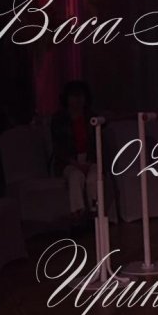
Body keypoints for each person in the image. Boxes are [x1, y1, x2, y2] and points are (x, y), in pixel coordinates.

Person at [51, 80, 98, 223]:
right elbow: (58, 148)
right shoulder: (59, 120)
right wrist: (75, 163)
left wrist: (90, 161)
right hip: (69, 162)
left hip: (90, 159)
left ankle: (95, 211)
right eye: (73, 96)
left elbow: (97, 143)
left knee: (93, 177)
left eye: (80, 96)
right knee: (75, 176)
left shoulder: (92, 118)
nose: (77, 100)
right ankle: (78, 213)